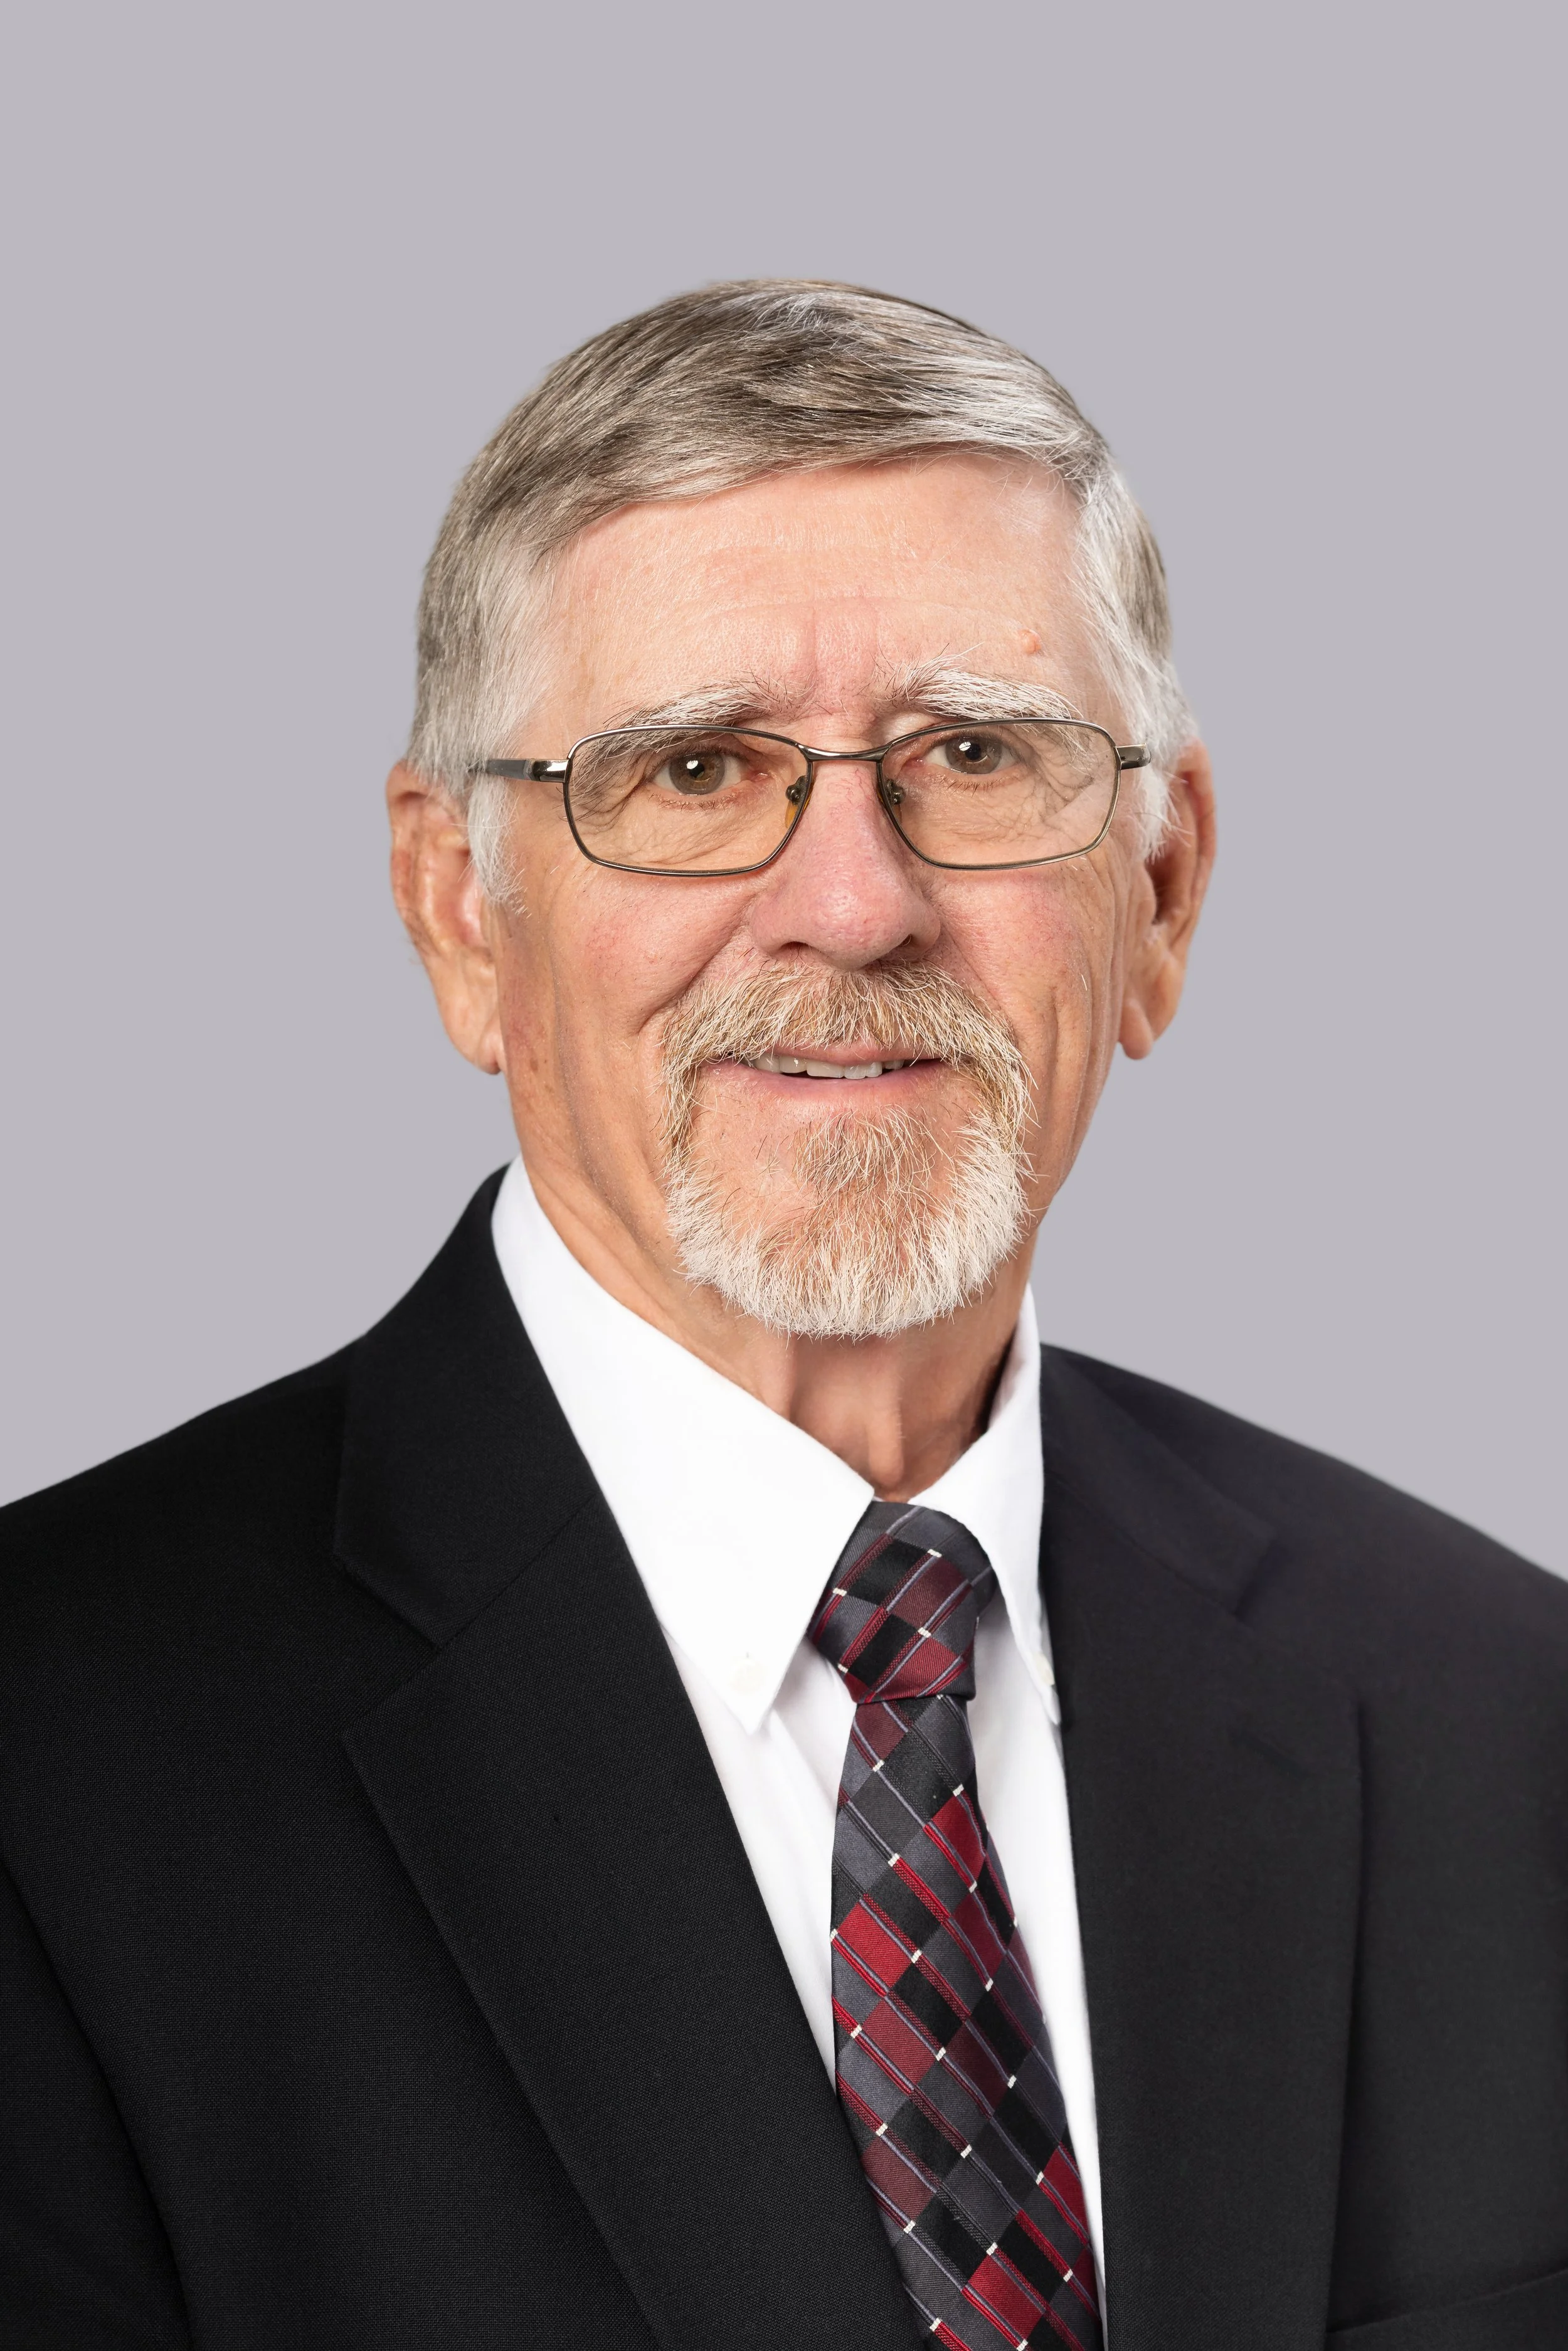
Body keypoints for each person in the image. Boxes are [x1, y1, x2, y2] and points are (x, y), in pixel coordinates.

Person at [2, 280, 1564, 2351]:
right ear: (461, 912)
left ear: (1161, 892)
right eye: (697, 766)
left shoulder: (1498, 1707)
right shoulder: (51, 1761)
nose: (852, 899)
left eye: (974, 752)